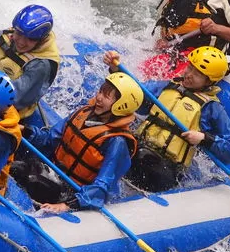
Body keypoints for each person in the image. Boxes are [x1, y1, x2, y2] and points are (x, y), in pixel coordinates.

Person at [105, 46, 230, 192]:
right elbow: (135, 93)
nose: (189, 74)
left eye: (197, 73)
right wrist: (115, 70)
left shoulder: (211, 108)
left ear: (209, 82)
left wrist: (204, 138)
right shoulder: (166, 87)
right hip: (138, 148)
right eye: (190, 67)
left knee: (144, 163)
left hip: (165, 168)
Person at [17, 72, 143, 213]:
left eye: (106, 96)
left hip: (73, 192)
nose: (99, 97)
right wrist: (25, 130)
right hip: (55, 173)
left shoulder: (116, 141)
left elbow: (102, 186)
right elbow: (49, 138)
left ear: (122, 106)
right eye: (100, 91)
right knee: (19, 168)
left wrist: (67, 205)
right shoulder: (83, 114)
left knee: (32, 179)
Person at [0, 4, 60, 120]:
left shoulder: (42, 65)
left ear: (41, 40)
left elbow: (14, 97)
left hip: (3, 111)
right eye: (19, 34)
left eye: (30, 39)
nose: (21, 42)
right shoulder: (4, 36)